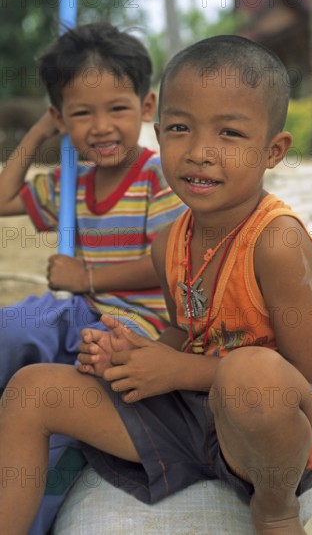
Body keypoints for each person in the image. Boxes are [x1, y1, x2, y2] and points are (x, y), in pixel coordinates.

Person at [0, 35, 312, 535]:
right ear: (157, 133)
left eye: (230, 134)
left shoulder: (274, 242)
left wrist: (177, 369)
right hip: (197, 420)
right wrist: (133, 355)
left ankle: (275, 513)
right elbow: (185, 332)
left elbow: (309, 375)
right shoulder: (168, 242)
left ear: (273, 151)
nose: (199, 153)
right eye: (179, 128)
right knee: (32, 388)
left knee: (251, 374)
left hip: (276, 437)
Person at [0, 22, 186, 393]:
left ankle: (71, 435)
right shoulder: (71, 181)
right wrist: (40, 131)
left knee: (102, 363)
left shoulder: (158, 176)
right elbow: (3, 201)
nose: (101, 127)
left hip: (142, 323)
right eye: (82, 114)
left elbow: (168, 264)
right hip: (81, 311)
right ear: (60, 117)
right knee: (12, 330)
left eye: (117, 108)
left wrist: (85, 278)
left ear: (146, 106)